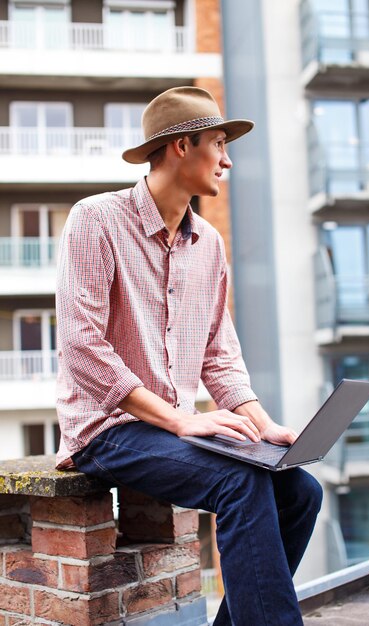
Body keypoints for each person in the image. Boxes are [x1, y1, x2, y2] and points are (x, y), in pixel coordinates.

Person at [55, 86, 322, 626]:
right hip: (109, 429)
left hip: (170, 429)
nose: (226, 160)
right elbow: (82, 346)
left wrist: (261, 424)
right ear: (182, 146)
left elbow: (218, 355)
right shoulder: (96, 220)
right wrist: (181, 420)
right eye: (219, 144)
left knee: (300, 490)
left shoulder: (210, 245)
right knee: (241, 482)